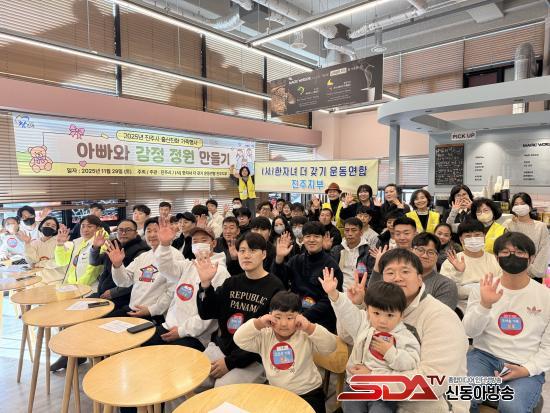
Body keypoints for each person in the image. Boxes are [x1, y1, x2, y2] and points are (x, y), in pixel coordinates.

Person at [334, 248, 469, 413]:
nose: (397, 278)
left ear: (419, 279)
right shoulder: (380, 309)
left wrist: (372, 378)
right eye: (390, 272)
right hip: (373, 398)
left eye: (405, 271)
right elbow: (346, 337)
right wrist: (356, 305)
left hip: (427, 407)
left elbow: (434, 382)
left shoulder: (441, 317)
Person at [463, 232, 550, 413]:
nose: (512, 256)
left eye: (519, 252)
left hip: (524, 361)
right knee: (463, 395)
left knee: (512, 405)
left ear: (531, 258)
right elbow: (469, 332)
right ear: (497, 257)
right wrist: (485, 305)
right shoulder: (484, 288)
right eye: (505, 252)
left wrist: (527, 369)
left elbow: (548, 347)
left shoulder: (545, 296)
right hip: (484, 357)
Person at [320, 275, 421, 413]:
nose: (382, 321)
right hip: (355, 386)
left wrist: (391, 353)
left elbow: (412, 364)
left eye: (390, 315)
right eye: (376, 313)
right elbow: (347, 313)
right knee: (350, 409)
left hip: (384, 391)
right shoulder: (364, 324)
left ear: (401, 315)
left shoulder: (405, 337)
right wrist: (334, 294)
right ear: (368, 310)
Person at [196, 232, 284, 388]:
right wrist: (205, 284)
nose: (246, 255)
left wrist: (230, 363)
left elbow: (268, 336)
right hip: (223, 349)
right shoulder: (231, 283)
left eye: (252, 250)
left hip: (254, 358)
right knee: (191, 379)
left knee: (223, 388)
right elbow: (206, 312)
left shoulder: (275, 287)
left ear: (264, 254)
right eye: (242, 251)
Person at [234, 291, 337, 413]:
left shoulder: (304, 334)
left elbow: (330, 346)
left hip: (309, 394)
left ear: (299, 316)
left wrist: (309, 327)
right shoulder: (265, 335)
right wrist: (259, 323)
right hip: (277, 393)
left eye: (289, 318)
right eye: (277, 317)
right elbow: (239, 339)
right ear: (270, 316)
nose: (283, 324)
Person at [146, 223, 230, 349]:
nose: (199, 244)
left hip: (196, 336)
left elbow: (210, 314)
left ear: (213, 243)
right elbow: (165, 268)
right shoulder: (188, 265)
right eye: (195, 241)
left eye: (203, 240)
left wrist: (181, 331)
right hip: (169, 325)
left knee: (165, 358)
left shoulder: (220, 272)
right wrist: (164, 245)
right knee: (142, 346)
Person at [272, 222, 343, 333]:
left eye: (316, 236)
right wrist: (279, 258)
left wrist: (303, 316)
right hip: (294, 314)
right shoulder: (296, 260)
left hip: (320, 321)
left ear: (323, 238)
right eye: (308, 236)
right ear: (303, 239)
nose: (311, 240)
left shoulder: (331, 265)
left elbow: (330, 300)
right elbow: (279, 281)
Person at [102, 218, 173, 322]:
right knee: (101, 323)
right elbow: (124, 282)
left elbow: (172, 292)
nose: (152, 235)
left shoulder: (174, 257)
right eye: (149, 231)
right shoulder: (143, 256)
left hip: (154, 315)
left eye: (156, 231)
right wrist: (118, 265)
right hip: (133, 309)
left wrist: (151, 310)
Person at [440, 220, 502, 315]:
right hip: (461, 309)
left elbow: (501, 287)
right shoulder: (452, 261)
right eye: (468, 236)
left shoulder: (495, 260)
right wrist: (458, 272)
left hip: (493, 307)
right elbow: (448, 290)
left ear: (484, 236)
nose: (473, 239)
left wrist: (468, 289)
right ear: (461, 239)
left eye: (477, 235)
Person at [89, 219, 150, 310]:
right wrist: (96, 247)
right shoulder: (115, 245)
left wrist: (113, 292)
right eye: (120, 230)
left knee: (91, 314)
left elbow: (138, 280)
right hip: (103, 293)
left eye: (128, 230)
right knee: (79, 306)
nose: (123, 233)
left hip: (122, 299)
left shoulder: (141, 252)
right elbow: (94, 262)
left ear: (136, 233)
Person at [503, 192, 550, 279]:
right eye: (516, 204)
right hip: (512, 272)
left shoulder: (541, 227)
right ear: (512, 208)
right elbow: (505, 249)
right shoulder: (508, 224)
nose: (519, 206)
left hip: (535, 274)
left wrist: (533, 270)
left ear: (530, 206)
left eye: (523, 203)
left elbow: (544, 251)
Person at [55, 215, 109, 289]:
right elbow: (61, 262)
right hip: (73, 286)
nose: (85, 229)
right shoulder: (78, 243)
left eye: (89, 226)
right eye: (83, 226)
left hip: (90, 288)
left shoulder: (102, 244)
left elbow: (93, 270)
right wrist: (60, 244)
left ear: (98, 228)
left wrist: (79, 287)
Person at [330, 217, 375, 292]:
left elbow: (371, 276)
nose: (350, 234)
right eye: (347, 230)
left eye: (354, 230)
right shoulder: (337, 250)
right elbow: (330, 271)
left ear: (361, 232)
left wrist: (362, 289)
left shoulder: (368, 252)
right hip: (338, 290)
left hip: (360, 291)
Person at [21, 216, 66, 285]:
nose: (49, 227)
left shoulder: (59, 243)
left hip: (57, 280)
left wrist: (40, 264)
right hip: (40, 280)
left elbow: (58, 262)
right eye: (47, 224)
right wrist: (27, 244)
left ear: (55, 230)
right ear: (41, 226)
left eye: (53, 226)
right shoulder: (34, 243)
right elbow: (32, 261)